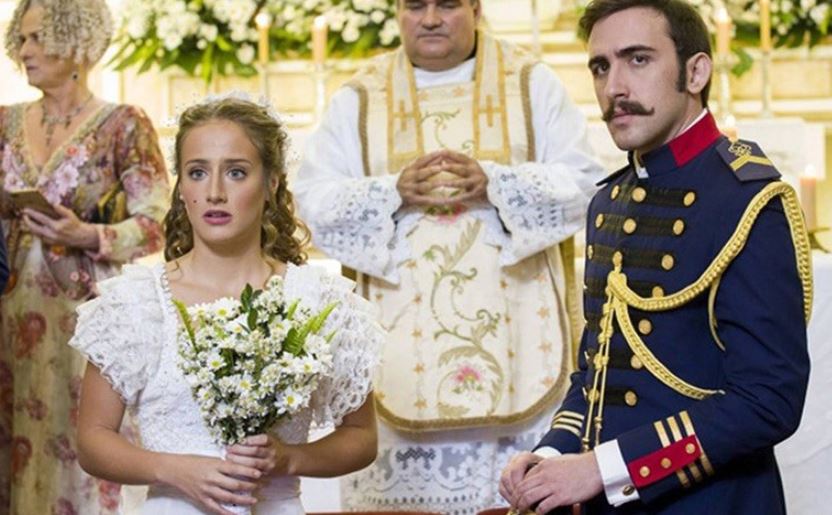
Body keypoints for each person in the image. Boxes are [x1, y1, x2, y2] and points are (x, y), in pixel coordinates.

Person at [499, 0, 813, 513]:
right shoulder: (609, 201)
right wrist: (553, 453)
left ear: (696, 71)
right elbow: (596, 373)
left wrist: (601, 469)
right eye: (601, 66)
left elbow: (768, 402)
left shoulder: (747, 199)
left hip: (714, 501)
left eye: (637, 59)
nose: (614, 88)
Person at [294, 0, 604, 511]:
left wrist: (497, 183)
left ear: (477, 8)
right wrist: (392, 192)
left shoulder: (531, 84)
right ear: (397, 11)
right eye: (416, 5)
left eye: (448, 4)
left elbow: (585, 185)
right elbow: (314, 202)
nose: (431, 18)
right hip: (399, 367)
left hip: (519, 353)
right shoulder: (359, 99)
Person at [68, 95, 382, 515]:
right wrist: (173, 470)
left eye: (236, 172)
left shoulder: (320, 302)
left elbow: (361, 436)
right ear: (182, 190)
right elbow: (93, 439)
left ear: (271, 184)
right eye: (197, 173)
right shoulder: (135, 303)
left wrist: (290, 458)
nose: (214, 192)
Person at [0, 0, 170, 512]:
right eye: (21, 39)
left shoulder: (123, 125)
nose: (24, 51)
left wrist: (90, 235)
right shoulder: (3, 123)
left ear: (76, 43)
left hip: (86, 321)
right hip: (8, 318)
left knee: (79, 446)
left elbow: (157, 222)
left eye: (37, 38)